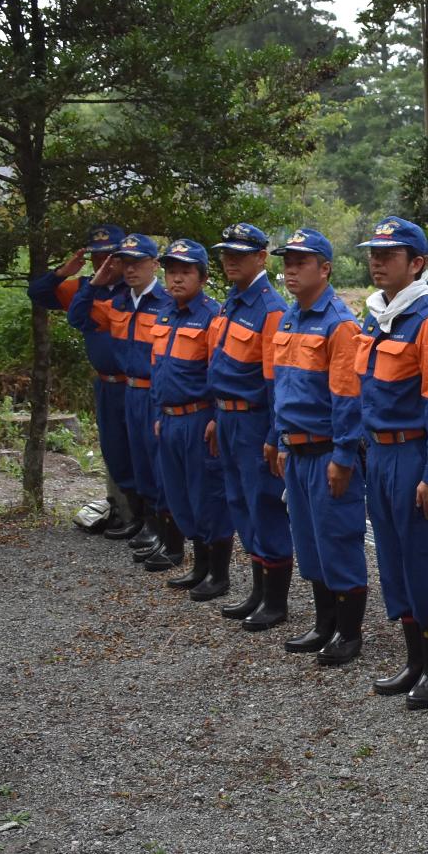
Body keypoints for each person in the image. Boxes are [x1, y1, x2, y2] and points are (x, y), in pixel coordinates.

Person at [355, 218, 428, 707]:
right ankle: (414, 660)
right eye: (374, 253)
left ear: (416, 263)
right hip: (379, 451)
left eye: (389, 254)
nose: (377, 261)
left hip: (413, 452)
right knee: (394, 561)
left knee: (422, 559)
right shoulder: (378, 314)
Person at [268, 228, 369, 664]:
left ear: (325, 269)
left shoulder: (340, 323)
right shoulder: (290, 318)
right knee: (308, 542)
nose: (290, 269)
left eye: (300, 262)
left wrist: (344, 455)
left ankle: (348, 633)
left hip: (328, 450)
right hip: (297, 449)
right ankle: (324, 623)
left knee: (338, 540)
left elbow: (347, 396)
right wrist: (278, 438)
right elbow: (285, 389)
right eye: (287, 262)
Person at [204, 223, 296, 631]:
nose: (230, 260)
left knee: (265, 504)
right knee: (240, 502)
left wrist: (274, 434)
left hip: (254, 418)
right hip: (226, 416)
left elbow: (275, 381)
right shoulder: (233, 302)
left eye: (240, 254)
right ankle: (258, 591)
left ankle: (275, 600)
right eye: (226, 253)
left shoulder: (270, 308)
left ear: (261, 257)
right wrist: (214, 415)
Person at [70, 234, 176, 565]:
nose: (130, 270)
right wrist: (96, 280)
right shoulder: (117, 304)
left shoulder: (167, 303)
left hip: (153, 392)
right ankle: (142, 520)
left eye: (137, 263)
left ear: (154, 265)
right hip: (127, 390)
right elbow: (78, 317)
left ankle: (164, 531)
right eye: (125, 264)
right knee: (126, 458)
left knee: (155, 462)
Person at [28, 223, 133, 533]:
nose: (105, 263)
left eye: (111, 256)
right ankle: (126, 514)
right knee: (114, 450)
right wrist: (63, 271)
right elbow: (38, 294)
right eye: (98, 257)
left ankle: (148, 521)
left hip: (138, 385)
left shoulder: (136, 288)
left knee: (142, 452)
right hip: (106, 384)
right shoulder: (82, 288)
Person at [144, 240, 232, 596]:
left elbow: (219, 370)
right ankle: (198, 566)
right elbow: (158, 368)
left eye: (185, 272)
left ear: (203, 277)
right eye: (171, 271)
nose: (176, 279)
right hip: (170, 419)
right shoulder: (165, 313)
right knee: (179, 495)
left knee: (207, 495)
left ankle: (218, 574)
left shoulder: (213, 316)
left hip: (199, 420)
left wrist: (214, 415)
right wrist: (157, 412)